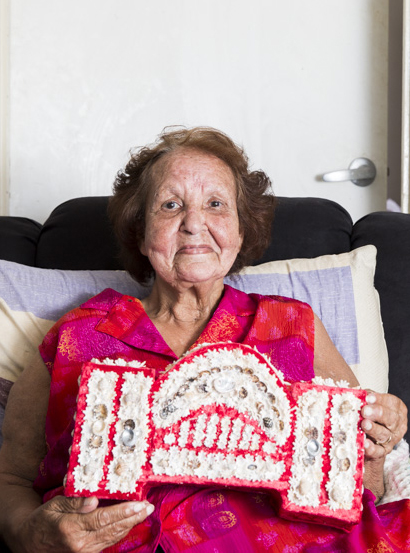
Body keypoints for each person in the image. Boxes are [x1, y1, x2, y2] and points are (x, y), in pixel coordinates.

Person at [0, 126, 408, 552]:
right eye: (171, 205)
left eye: (215, 204)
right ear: (140, 233)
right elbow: (10, 479)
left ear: (241, 230)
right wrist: (33, 534)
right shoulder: (78, 335)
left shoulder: (292, 325)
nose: (194, 223)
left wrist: (375, 445)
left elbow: (363, 486)